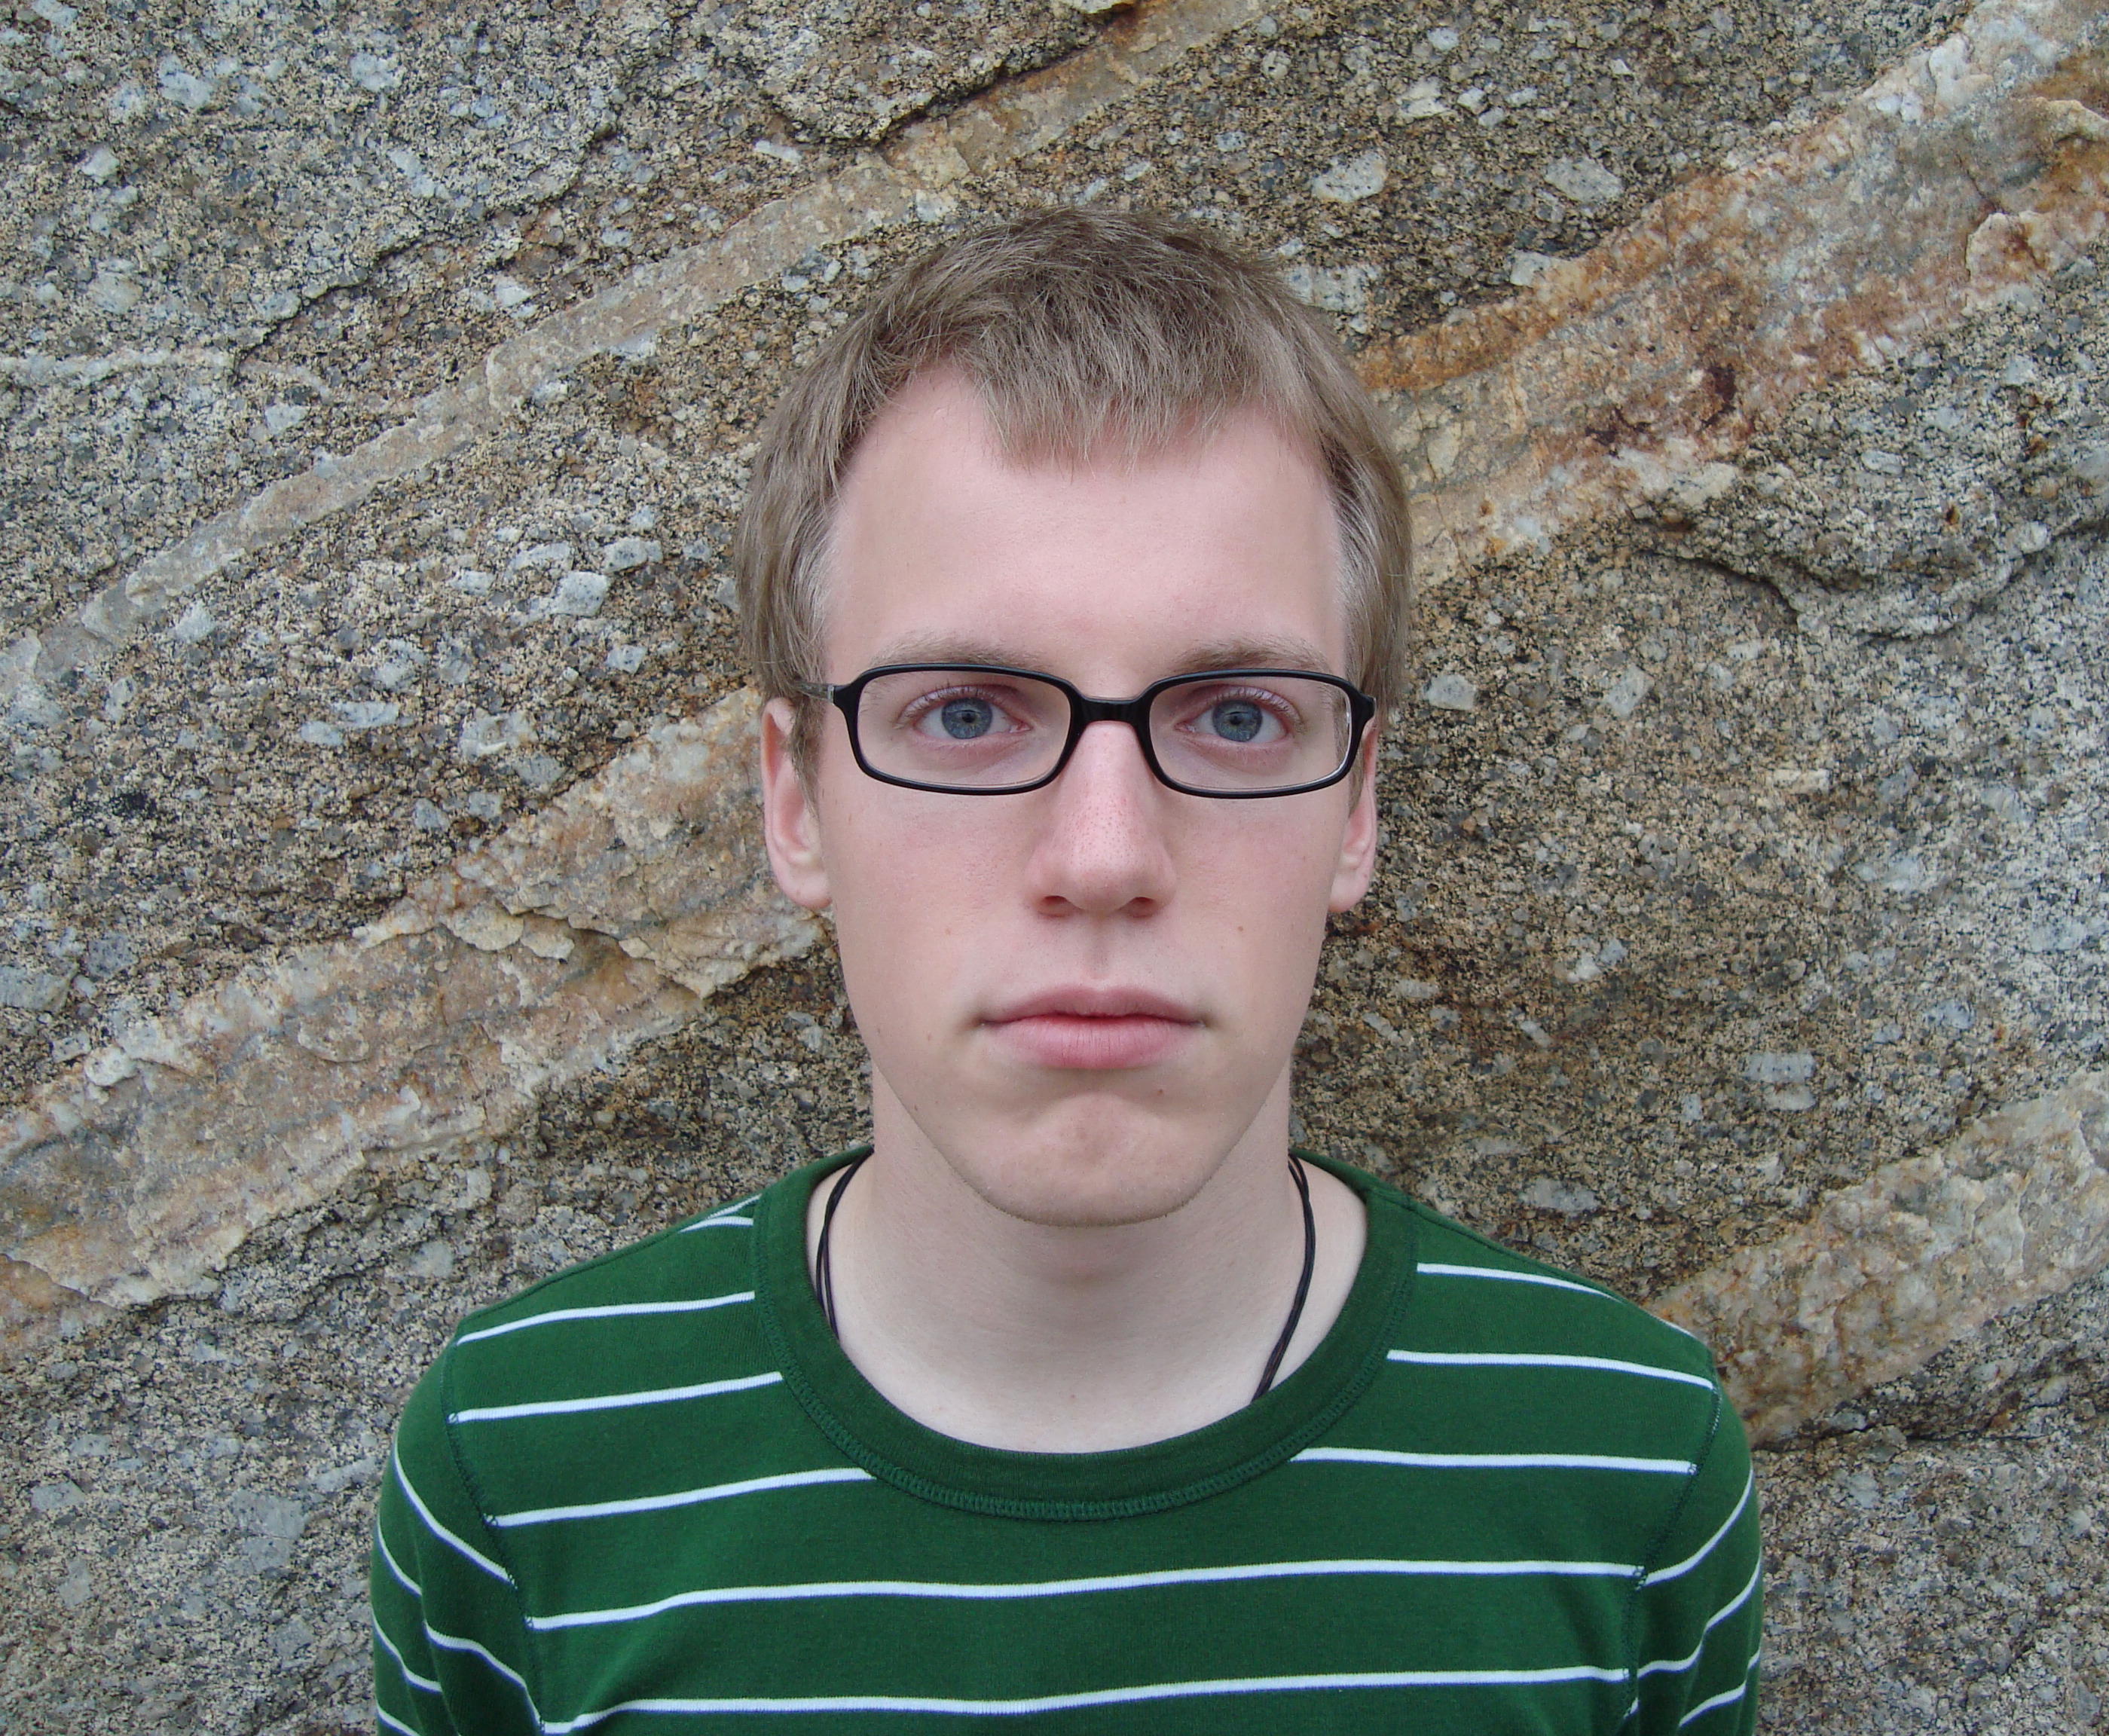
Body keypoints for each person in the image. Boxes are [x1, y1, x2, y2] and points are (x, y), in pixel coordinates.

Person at [372, 207, 1759, 1735]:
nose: (1104, 857)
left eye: (1238, 716)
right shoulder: (521, 1469)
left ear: (1359, 807)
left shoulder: (1628, 1468)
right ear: (796, 801)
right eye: (965, 713)